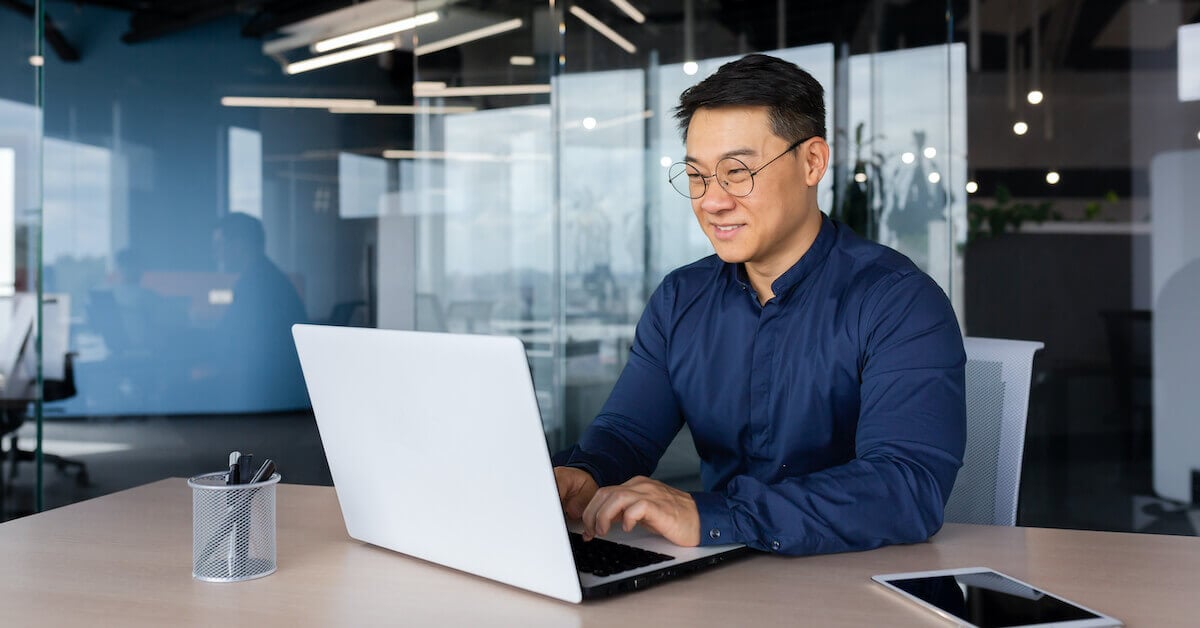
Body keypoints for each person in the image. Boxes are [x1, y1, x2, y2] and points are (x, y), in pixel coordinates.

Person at [553, 54, 966, 556]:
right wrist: (584, 472)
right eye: (697, 175)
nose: (711, 201)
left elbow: (906, 487)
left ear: (812, 162)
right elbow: (627, 431)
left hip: (852, 582)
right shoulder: (681, 299)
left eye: (737, 172)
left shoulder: (898, 302)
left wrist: (714, 515)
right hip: (716, 573)